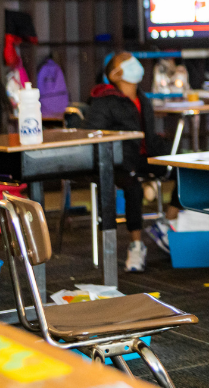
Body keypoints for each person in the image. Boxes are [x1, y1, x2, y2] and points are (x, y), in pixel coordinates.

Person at [81, 52, 168, 272]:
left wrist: (165, 156)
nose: (135, 63)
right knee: (133, 188)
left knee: (183, 171)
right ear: (115, 74)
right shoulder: (104, 100)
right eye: (126, 60)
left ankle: (166, 225)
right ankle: (136, 245)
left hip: (142, 157)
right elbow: (92, 134)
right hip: (116, 162)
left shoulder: (143, 98)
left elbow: (149, 135)